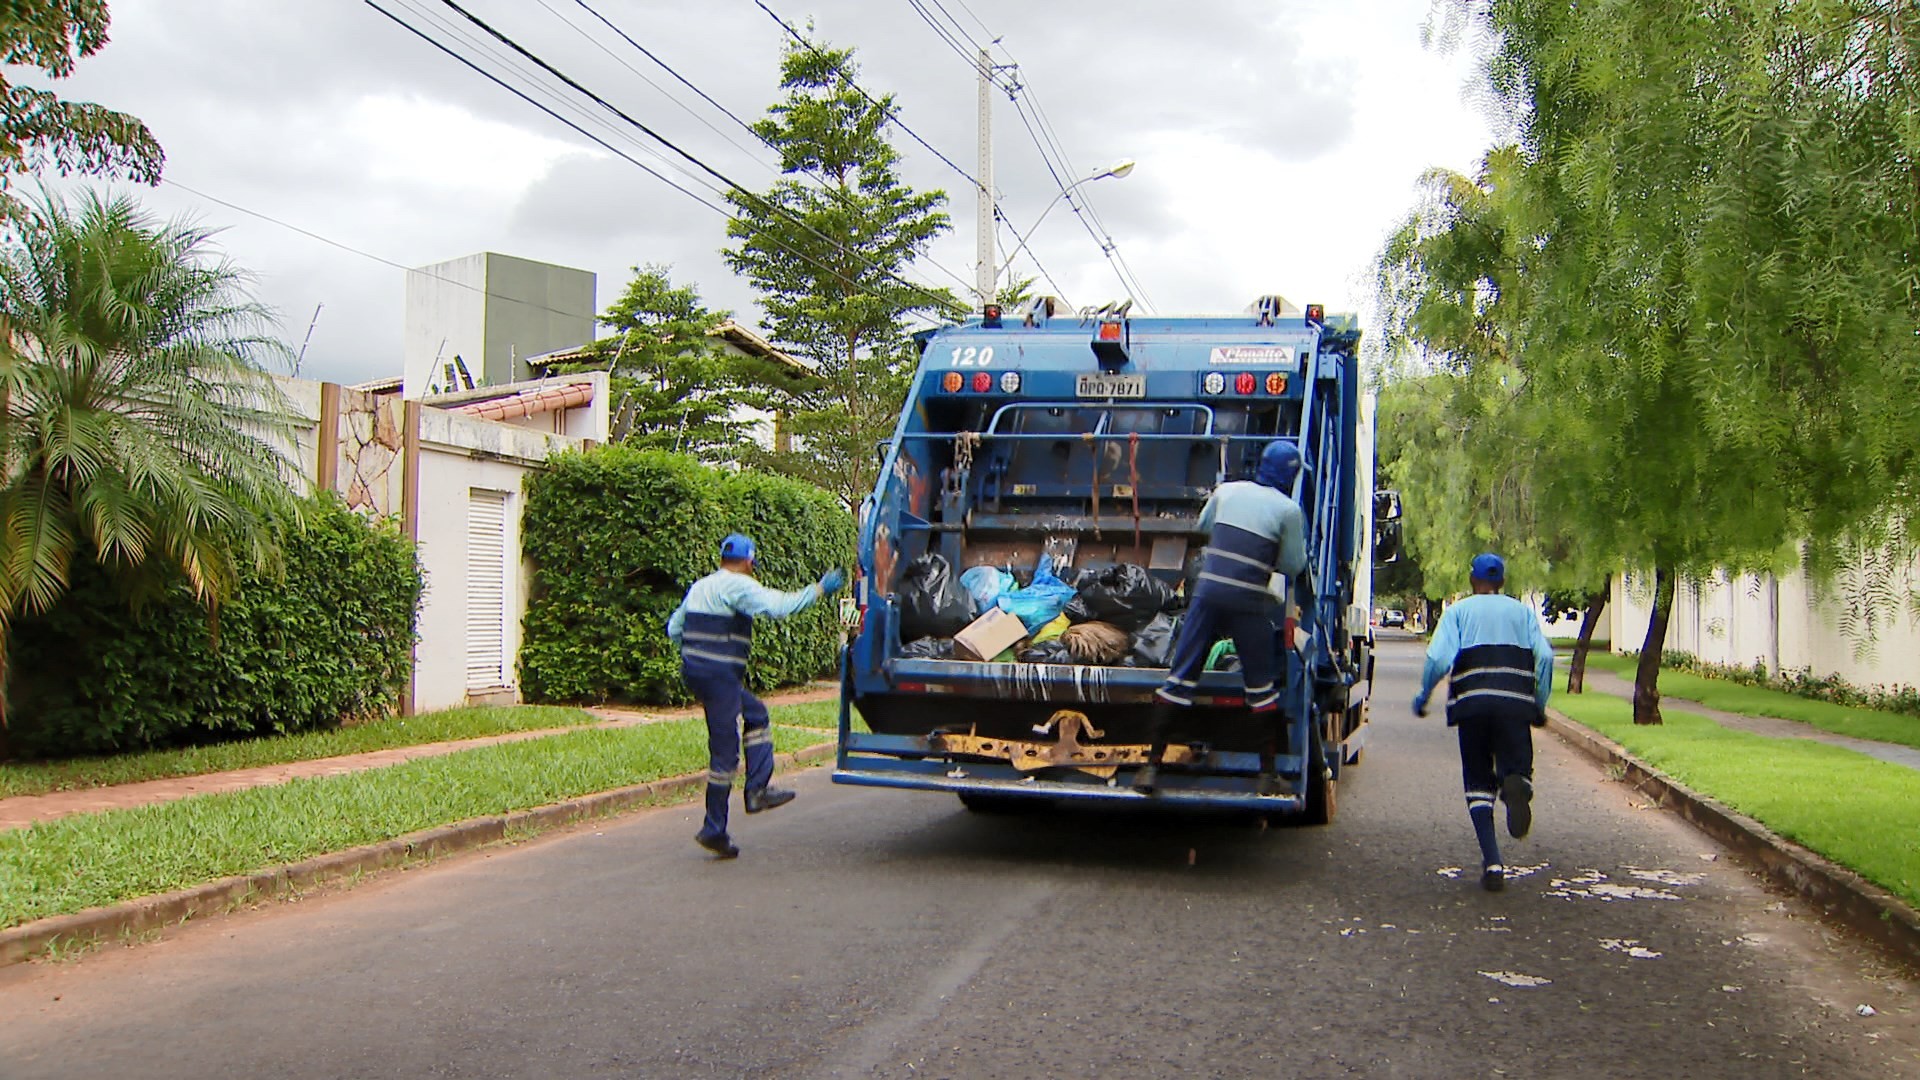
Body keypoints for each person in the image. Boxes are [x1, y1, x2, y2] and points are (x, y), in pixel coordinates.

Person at [1135, 439, 1308, 795]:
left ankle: (1149, 770)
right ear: (1290, 476)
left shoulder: (1226, 491)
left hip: (1207, 594)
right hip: (1248, 600)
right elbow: (1293, 565)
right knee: (1260, 686)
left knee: (1180, 678)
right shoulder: (1289, 510)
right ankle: (1267, 775)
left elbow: (1203, 527)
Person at [667, 533, 846, 859]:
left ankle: (755, 790)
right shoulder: (739, 585)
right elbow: (778, 607)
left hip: (700, 673)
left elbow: (674, 629)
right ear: (749, 561)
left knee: (756, 714)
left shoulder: (700, 586)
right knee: (724, 756)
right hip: (719, 675)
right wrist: (819, 589)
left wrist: (694, 657)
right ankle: (716, 826)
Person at [1413, 553, 1555, 892]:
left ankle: (1493, 863)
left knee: (1477, 781)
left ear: (1472, 580)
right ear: (1502, 581)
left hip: (1472, 704)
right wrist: (1538, 702)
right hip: (1514, 704)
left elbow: (1438, 657)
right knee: (1518, 767)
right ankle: (1515, 783)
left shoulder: (1459, 613)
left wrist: (1424, 695)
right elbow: (1546, 656)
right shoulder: (1522, 613)